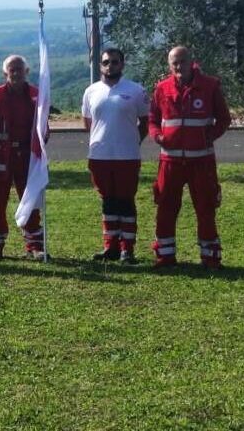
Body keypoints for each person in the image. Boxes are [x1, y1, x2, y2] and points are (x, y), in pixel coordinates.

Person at [148, 46, 232, 269]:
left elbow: (224, 119)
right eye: (174, 62)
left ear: (191, 61)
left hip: (201, 161)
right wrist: (157, 136)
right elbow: (153, 120)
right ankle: (165, 257)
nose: (178, 66)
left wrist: (209, 137)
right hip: (170, 161)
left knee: (206, 207)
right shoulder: (161, 88)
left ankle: (210, 257)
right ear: (169, 64)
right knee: (165, 207)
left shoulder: (210, 85)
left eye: (182, 61)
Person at [81, 48, 150, 264]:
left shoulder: (136, 90)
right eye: (106, 62)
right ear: (100, 65)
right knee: (108, 202)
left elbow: (145, 123)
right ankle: (110, 247)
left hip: (127, 156)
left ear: (122, 64)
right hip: (99, 156)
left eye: (115, 62)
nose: (110, 66)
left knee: (126, 202)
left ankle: (127, 249)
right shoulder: (91, 91)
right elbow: (88, 123)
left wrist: (131, 140)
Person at [0, 55, 45, 260]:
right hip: (0, 160)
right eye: (11, 70)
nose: (15, 73)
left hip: (26, 159)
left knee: (31, 200)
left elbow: (43, 129)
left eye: (19, 69)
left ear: (27, 71)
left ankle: (35, 246)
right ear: (5, 73)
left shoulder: (36, 95)